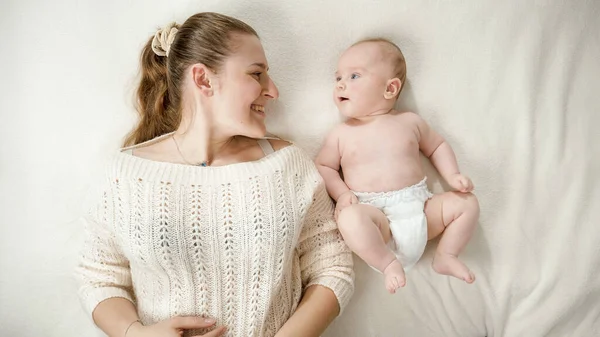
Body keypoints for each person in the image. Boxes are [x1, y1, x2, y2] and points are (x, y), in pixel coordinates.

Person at [75, 12, 354, 337]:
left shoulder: (286, 166)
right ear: (204, 80)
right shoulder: (126, 175)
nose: (273, 91)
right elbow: (99, 275)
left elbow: (332, 266)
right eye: (257, 74)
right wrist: (134, 333)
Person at [315, 38, 480, 294]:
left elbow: (436, 146)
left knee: (467, 202)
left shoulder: (410, 121)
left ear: (390, 88)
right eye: (338, 78)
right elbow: (324, 166)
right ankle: (388, 263)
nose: (341, 84)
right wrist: (342, 193)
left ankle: (446, 255)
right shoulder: (341, 134)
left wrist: (453, 175)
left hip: (422, 208)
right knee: (349, 219)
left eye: (354, 75)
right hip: (377, 220)